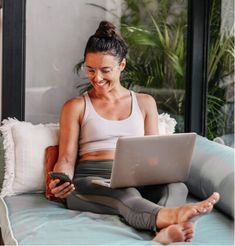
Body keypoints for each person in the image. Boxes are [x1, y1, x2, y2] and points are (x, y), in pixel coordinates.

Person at [49, 21, 220, 244]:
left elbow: (154, 155)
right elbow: (66, 159)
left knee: (176, 187)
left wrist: (161, 169)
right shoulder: (76, 106)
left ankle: (163, 233)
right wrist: (60, 180)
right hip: (92, 181)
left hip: (136, 177)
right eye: (90, 69)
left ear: (122, 66)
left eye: (105, 70)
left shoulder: (145, 102)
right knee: (125, 195)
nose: (97, 78)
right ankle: (175, 218)